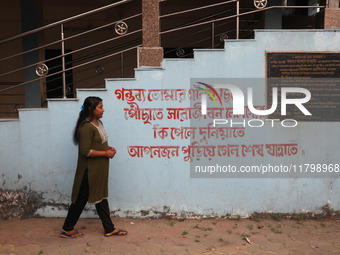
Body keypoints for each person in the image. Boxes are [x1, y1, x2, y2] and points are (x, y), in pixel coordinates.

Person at [60, 96, 127, 238]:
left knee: (101, 198)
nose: (103, 110)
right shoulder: (86, 127)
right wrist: (105, 153)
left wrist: (109, 148)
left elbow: (99, 143)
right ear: (90, 109)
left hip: (98, 170)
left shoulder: (98, 122)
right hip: (89, 171)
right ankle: (67, 228)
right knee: (80, 200)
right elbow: (86, 151)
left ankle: (109, 229)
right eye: (100, 107)